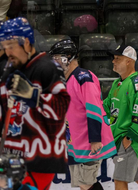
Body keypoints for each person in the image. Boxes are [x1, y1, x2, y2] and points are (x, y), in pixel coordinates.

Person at [0, 17, 70, 190]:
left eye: (11, 46)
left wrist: (34, 96)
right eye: (5, 46)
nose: (7, 51)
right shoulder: (11, 69)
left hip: (39, 158)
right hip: (12, 157)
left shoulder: (48, 67)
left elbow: (62, 108)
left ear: (27, 43)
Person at [49, 40, 116, 190]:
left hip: (88, 140)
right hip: (76, 140)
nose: (55, 62)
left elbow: (94, 109)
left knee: (86, 183)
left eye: (57, 57)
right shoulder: (65, 80)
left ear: (69, 56)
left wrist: (95, 139)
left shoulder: (83, 78)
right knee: (83, 183)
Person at [103, 45, 138, 190]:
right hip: (122, 140)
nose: (113, 61)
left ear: (129, 61)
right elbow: (107, 107)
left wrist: (129, 138)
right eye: (114, 58)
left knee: (119, 180)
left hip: (130, 140)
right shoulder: (117, 83)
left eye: (118, 58)